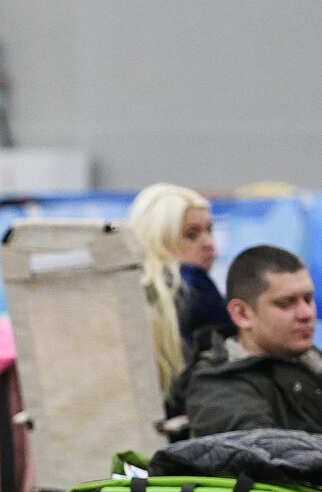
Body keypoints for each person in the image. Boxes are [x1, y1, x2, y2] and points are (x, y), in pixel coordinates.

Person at [184, 246, 322, 436]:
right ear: (241, 314)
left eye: (308, 299)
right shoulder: (219, 390)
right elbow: (267, 454)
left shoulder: (311, 361)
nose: (306, 314)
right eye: (285, 303)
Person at [129, 183, 234, 370]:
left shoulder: (122, 290)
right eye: (191, 235)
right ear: (160, 239)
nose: (208, 243)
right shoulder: (194, 285)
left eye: (209, 230)